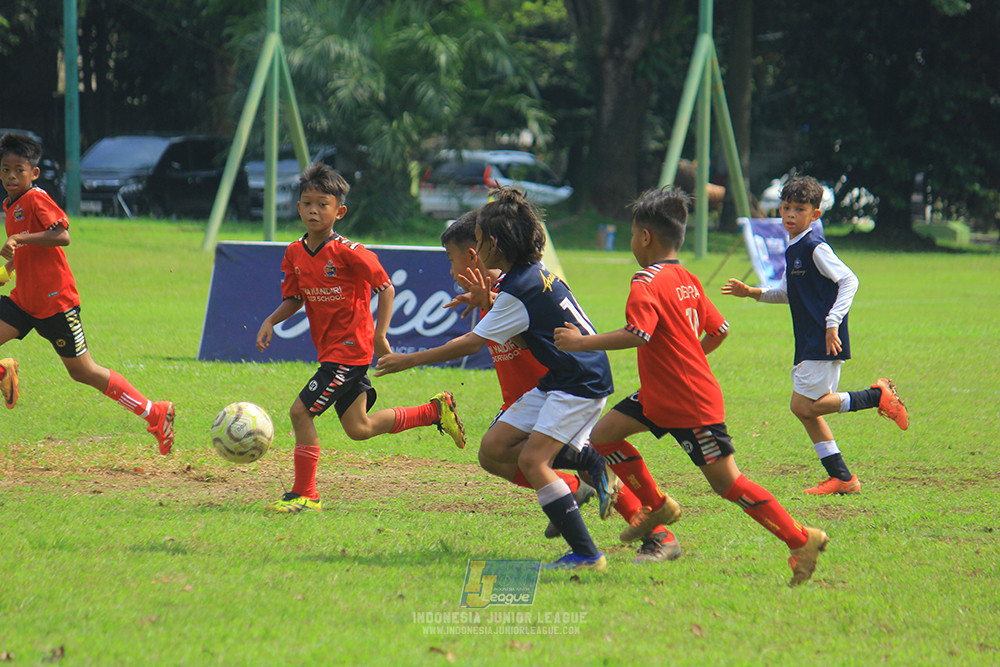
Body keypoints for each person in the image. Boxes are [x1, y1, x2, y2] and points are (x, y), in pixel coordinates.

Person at [555, 186, 829, 586]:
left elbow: (638, 333)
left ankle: (801, 539)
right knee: (602, 437)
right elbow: (720, 330)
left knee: (728, 483)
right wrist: (688, 359)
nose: (633, 242)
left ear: (645, 237)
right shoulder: (687, 278)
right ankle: (656, 506)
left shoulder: (645, 282)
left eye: (633, 234)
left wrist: (581, 342)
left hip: (688, 403)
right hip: (661, 395)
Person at [377, 187, 614, 572]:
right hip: (563, 377)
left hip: (579, 383)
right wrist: (483, 301)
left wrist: (410, 359)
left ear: (493, 244)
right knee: (495, 445)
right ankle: (588, 466)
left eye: (481, 239)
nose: (476, 249)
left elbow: (470, 344)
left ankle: (588, 555)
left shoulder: (520, 289)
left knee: (534, 460)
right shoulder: (528, 276)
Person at [441, 213, 674, 562]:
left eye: (450, 259)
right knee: (493, 455)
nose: (449, 270)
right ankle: (571, 488)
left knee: (562, 461)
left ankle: (658, 535)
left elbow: (529, 340)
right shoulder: (493, 292)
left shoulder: (515, 289)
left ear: (476, 254)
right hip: (527, 396)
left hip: (557, 391)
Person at [256, 162, 465, 513]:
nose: (313, 210)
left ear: (340, 211)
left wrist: (380, 333)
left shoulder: (350, 251)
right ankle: (434, 411)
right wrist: (271, 320)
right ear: (298, 207)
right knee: (359, 428)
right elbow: (294, 298)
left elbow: (385, 287)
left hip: (349, 352)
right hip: (332, 353)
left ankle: (306, 494)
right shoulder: (294, 252)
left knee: (300, 413)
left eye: (323, 204)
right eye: (307, 203)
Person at [721, 175, 908, 495]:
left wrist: (833, 321)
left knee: (805, 407)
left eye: (800, 209)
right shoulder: (794, 248)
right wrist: (752, 292)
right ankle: (842, 477)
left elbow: (849, 280)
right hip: (809, 339)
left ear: (815, 215)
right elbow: (788, 292)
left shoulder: (814, 246)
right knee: (805, 408)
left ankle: (877, 397)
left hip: (823, 339)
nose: (790, 215)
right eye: (786, 208)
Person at [0, 133, 175, 452]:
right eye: (6, 169)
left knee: (83, 371)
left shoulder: (36, 198)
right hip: (23, 301)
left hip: (56, 304)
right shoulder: (10, 205)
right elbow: (26, 249)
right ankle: (4, 370)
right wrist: (8, 269)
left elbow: (62, 235)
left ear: (34, 173)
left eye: (19, 170)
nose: (12, 176)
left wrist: (20, 239)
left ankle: (155, 412)